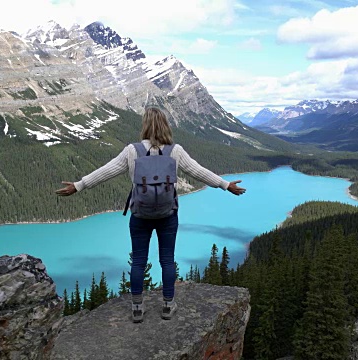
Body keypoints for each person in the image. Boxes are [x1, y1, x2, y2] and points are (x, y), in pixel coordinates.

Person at [55, 107, 246, 323]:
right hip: (167, 215)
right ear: (166, 125)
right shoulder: (175, 151)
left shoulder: (132, 151)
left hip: (140, 215)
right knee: (167, 260)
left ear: (144, 125)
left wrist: (79, 186)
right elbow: (198, 171)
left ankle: (137, 308)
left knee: (138, 261)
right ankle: (167, 305)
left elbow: (105, 172)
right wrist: (225, 184)